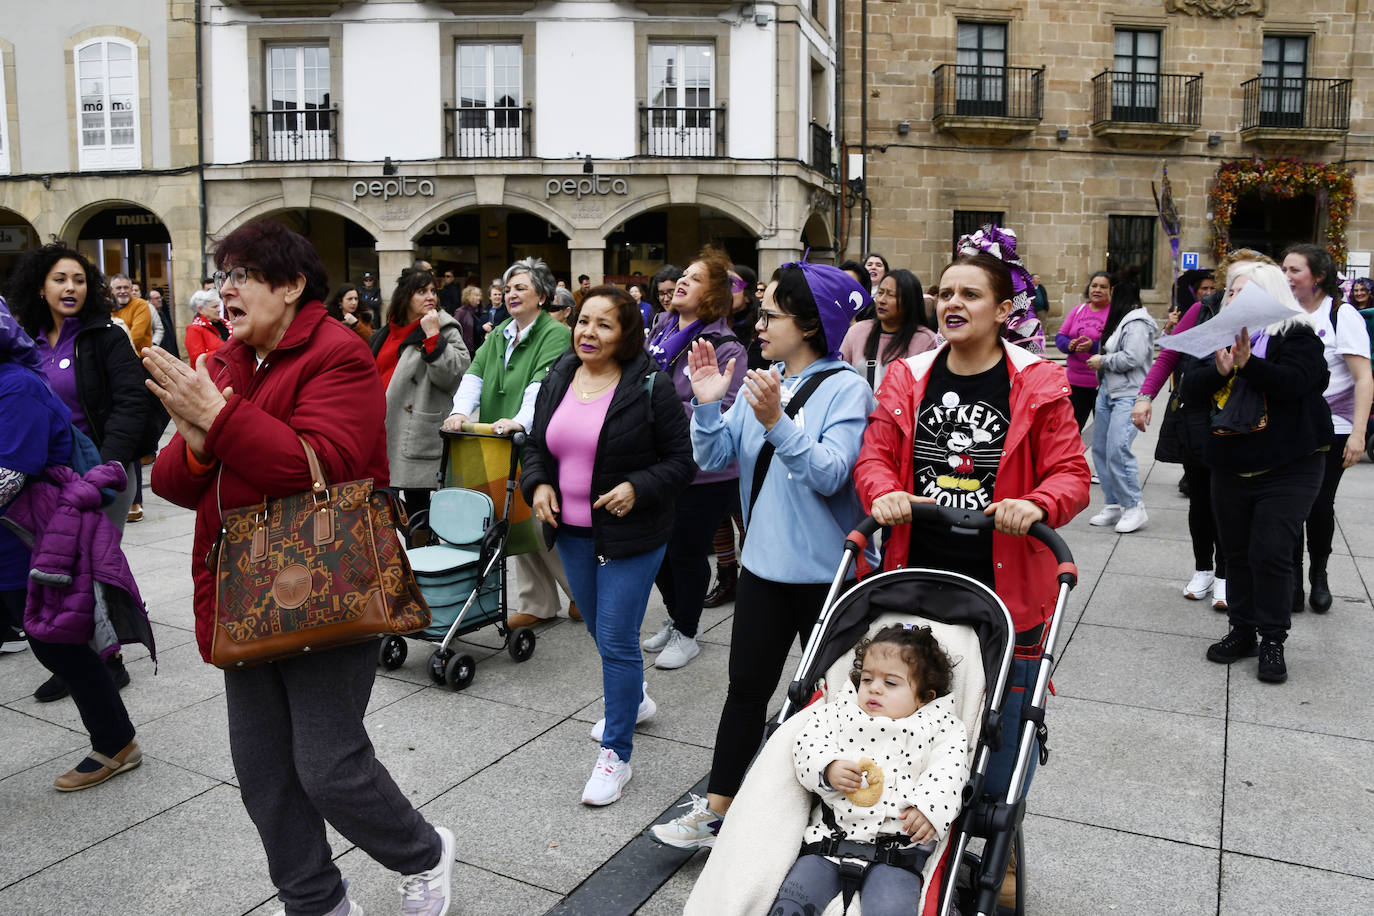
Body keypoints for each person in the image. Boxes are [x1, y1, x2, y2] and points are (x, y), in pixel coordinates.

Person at [148, 218, 455, 916]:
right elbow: (172, 482)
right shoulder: (225, 360)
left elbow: (318, 466)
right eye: (222, 276)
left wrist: (217, 422)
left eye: (242, 276)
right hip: (243, 593)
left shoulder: (336, 353)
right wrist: (199, 436)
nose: (225, 290)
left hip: (328, 586)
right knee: (264, 776)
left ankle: (425, 854)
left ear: (289, 286)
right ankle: (315, 903)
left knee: (328, 767)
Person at [853, 250, 1090, 907]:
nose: (952, 303)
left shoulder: (1037, 384)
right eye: (944, 291)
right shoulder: (907, 377)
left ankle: (1001, 836)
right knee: (908, 716)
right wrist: (882, 492)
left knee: (1006, 730)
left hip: (1007, 590)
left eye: (970, 294)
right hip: (916, 578)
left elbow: (1071, 475)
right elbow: (874, 456)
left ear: (1003, 310)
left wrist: (1038, 504)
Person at [650, 260, 875, 849]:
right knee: (746, 690)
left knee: (841, 698)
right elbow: (716, 452)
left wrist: (776, 420)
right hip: (761, 570)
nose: (759, 324)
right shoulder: (765, 375)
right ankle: (717, 808)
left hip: (826, 578)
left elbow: (829, 474)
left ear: (809, 322)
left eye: (771, 314)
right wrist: (706, 405)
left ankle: (852, 813)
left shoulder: (847, 387)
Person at [521, 286, 694, 805]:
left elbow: (681, 462)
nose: (588, 333)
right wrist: (539, 485)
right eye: (583, 321)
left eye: (603, 325)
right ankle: (634, 701)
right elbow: (535, 445)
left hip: (631, 535)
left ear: (626, 336)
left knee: (616, 638)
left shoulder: (650, 386)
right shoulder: (558, 375)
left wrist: (638, 487)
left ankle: (616, 756)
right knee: (599, 629)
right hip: (570, 532)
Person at [0, 297, 151, 792]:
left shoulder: (16, 387)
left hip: (28, 547)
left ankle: (115, 743)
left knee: (59, 648)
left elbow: (11, 476)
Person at [9, 243, 152, 700]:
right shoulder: (23, 340)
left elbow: (132, 403)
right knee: (54, 567)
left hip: (102, 475)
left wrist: (108, 464)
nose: (70, 288)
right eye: (59, 279)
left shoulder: (106, 335)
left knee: (88, 565)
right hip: (46, 479)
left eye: (79, 280)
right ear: (39, 286)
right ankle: (76, 658)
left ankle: (106, 662)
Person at [1182, 261, 1332, 684]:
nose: (1231, 299)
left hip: (1289, 466)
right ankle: (1242, 630)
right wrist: (1220, 369)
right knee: (1237, 553)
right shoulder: (1217, 339)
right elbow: (1190, 391)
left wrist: (1250, 366)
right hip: (1231, 464)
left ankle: (1272, 639)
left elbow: (1301, 382)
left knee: (1270, 552)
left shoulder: (1296, 334)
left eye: (1242, 292)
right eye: (1230, 292)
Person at [769, 625, 968, 916]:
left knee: (892, 909)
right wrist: (828, 768)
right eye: (867, 678)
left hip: (898, 849)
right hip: (828, 840)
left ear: (924, 697)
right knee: (790, 904)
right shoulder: (839, 711)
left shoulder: (940, 726)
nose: (874, 688)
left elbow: (950, 772)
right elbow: (807, 744)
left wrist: (928, 808)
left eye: (891, 683)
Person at [442, 257, 576, 629]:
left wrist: (520, 421)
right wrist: (460, 413)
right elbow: (475, 373)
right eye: (509, 288)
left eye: (521, 287)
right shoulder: (501, 330)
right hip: (498, 439)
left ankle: (580, 592)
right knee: (511, 517)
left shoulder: (555, 334)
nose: (511, 294)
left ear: (543, 295)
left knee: (539, 519)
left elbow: (541, 385)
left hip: (535, 438)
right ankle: (538, 602)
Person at [641, 248, 748, 670]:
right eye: (682, 273)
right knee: (655, 551)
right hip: (658, 463)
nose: (681, 281)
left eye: (695, 278)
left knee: (685, 552)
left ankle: (687, 630)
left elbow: (726, 411)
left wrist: (659, 409)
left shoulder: (727, 347)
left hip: (704, 472)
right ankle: (677, 616)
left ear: (714, 295)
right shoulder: (662, 331)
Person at [1133, 253, 1257, 609]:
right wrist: (1145, 397)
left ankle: (1226, 574)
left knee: (1231, 503)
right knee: (1202, 499)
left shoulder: (1271, 315)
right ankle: (1204, 568)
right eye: (1234, 280)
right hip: (1202, 418)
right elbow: (1170, 356)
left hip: (1247, 422)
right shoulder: (1203, 309)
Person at [1281, 244, 1373, 613]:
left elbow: (1363, 378)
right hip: (1287, 427)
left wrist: (1358, 433)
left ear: (1317, 276)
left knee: (1319, 505)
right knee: (1287, 506)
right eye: (1283, 269)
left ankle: (1318, 575)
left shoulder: (1341, 314)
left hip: (1331, 427)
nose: (1286, 277)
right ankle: (1291, 580)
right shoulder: (1281, 313)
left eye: (1294, 270)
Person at [371, 269, 470, 523]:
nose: (430, 297)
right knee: (381, 509)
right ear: (405, 296)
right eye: (421, 291)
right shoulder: (384, 333)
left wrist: (433, 336)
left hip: (414, 430)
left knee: (418, 512)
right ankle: (392, 561)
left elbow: (455, 375)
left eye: (433, 291)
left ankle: (420, 560)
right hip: (379, 430)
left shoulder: (444, 326)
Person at [1085, 274, 1157, 533]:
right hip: (1109, 390)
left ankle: (1133, 505)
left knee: (1117, 449)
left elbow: (1133, 357)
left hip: (1128, 394)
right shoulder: (1124, 320)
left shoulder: (1137, 321)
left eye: (1110, 290)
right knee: (1101, 450)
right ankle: (1114, 503)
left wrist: (1103, 361)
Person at [839, 267, 938, 390]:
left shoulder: (926, 340)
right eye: (880, 293)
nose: (882, 300)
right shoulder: (857, 332)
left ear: (909, 301)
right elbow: (840, 376)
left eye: (891, 295)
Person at [1055, 271, 1112, 431]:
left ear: (1111, 290)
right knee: (1069, 434)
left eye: (1103, 287)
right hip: (1074, 384)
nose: (1097, 290)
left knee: (1103, 435)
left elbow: (1117, 346)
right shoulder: (1078, 310)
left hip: (1102, 385)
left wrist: (1093, 347)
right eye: (1094, 286)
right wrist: (1069, 345)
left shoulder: (1114, 314)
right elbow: (1060, 337)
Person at [185, 289, 232, 367]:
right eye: (214, 307)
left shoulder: (226, 324)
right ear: (200, 309)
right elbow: (197, 361)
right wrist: (227, 348)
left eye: (218, 306)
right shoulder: (194, 330)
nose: (219, 310)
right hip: (213, 376)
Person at [109, 275, 153, 357]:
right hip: (117, 357)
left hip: (140, 358)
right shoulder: (109, 308)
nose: (123, 291)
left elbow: (136, 336)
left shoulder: (140, 305)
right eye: (118, 288)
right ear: (112, 290)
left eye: (126, 287)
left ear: (131, 289)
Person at [148, 288, 180, 360]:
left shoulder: (163, 313)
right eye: (156, 298)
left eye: (160, 297)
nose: (160, 300)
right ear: (149, 300)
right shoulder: (149, 315)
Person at [452, 285, 482, 354]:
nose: (479, 298)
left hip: (478, 348)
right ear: (469, 297)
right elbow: (454, 330)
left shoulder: (481, 310)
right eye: (476, 295)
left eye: (479, 295)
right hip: (467, 350)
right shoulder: (461, 312)